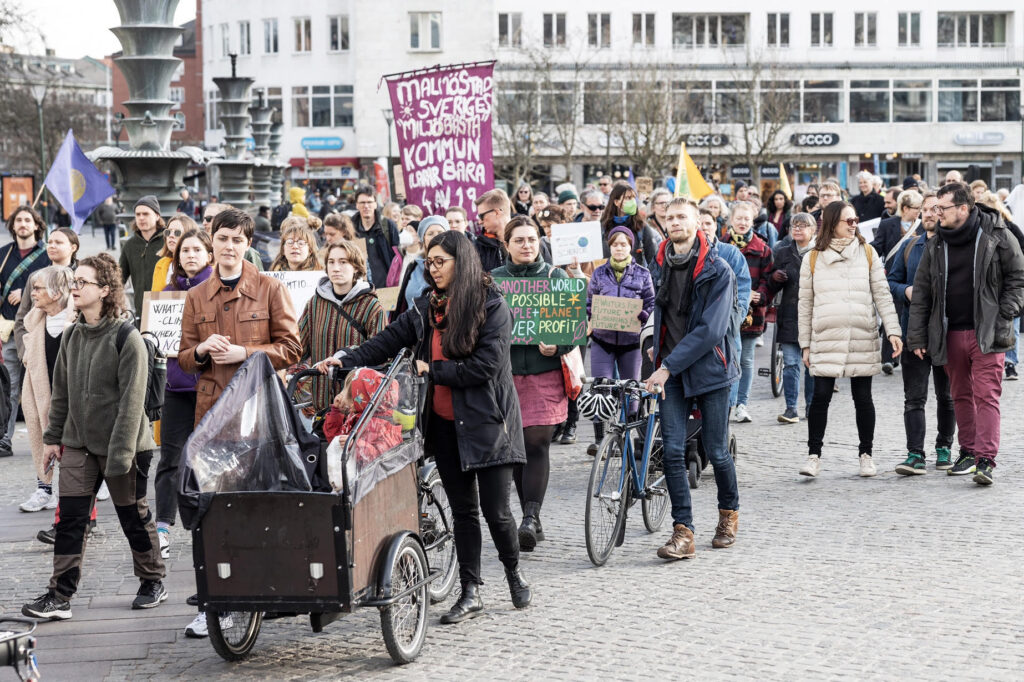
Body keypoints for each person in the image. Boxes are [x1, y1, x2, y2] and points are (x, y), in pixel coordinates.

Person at [320, 230, 531, 623]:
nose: (432, 269)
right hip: (445, 425)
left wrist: (431, 370)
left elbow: (486, 366)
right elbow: (386, 341)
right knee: (464, 511)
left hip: (489, 424)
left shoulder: (492, 305)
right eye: (428, 262)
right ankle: (470, 591)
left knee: (497, 513)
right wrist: (344, 359)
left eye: (440, 262)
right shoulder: (425, 307)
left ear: (461, 263)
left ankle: (513, 571)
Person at [21, 254, 165, 621]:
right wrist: (52, 439)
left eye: (82, 282)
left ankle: (152, 580)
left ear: (104, 290)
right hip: (79, 445)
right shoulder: (72, 335)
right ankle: (59, 595)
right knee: (70, 520)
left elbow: (132, 405)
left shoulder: (127, 337)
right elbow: (61, 395)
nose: (75, 287)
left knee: (133, 516)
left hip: (124, 447)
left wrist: (119, 459)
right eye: (75, 281)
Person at [907, 182, 1024, 485]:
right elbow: (922, 293)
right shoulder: (935, 243)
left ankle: (986, 459)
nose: (936, 213)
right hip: (949, 333)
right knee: (960, 395)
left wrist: (1006, 312)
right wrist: (917, 336)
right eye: (934, 208)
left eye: (941, 207)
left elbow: (1018, 277)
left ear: (962, 208)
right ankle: (968, 452)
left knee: (987, 396)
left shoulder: (997, 234)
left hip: (988, 330)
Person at [644, 198, 740, 560]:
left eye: (681, 216)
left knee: (716, 450)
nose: (674, 222)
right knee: (671, 451)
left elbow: (711, 330)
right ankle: (683, 531)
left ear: (697, 222)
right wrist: (652, 347)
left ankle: (728, 515)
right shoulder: (659, 264)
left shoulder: (719, 269)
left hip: (711, 369)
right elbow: (654, 311)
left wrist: (668, 365)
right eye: (669, 217)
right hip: (670, 370)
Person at [797, 202, 902, 479]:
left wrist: (893, 330)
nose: (854, 224)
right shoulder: (812, 258)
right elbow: (805, 304)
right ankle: (813, 455)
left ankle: (866, 455)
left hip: (861, 335)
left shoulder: (867, 252)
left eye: (856, 220)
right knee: (820, 397)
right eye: (848, 221)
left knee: (863, 398)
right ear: (833, 223)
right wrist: (805, 343)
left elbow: (882, 295)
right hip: (825, 336)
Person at [491, 216, 573, 551]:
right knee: (516, 449)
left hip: (544, 373)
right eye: (520, 240)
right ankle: (530, 516)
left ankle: (530, 516)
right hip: (506, 375)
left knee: (537, 441)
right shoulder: (493, 280)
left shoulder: (557, 277)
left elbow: (573, 328)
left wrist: (559, 346)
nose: (527, 246)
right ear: (507, 244)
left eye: (532, 239)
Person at [177, 208, 302, 425]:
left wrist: (245, 353)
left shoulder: (271, 289)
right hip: (212, 410)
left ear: (248, 244)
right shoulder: (196, 295)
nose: (229, 246)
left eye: (237, 240)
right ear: (212, 240)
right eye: (223, 238)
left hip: (258, 406)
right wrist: (201, 349)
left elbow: (291, 350)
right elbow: (185, 360)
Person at [150, 228, 214, 567]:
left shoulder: (216, 289)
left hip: (211, 387)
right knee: (170, 461)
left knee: (210, 460)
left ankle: (210, 527)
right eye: (184, 251)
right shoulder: (166, 294)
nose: (190, 255)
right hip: (176, 388)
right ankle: (162, 529)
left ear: (208, 255)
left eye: (196, 250)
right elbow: (156, 338)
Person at [886, 193, 957, 474]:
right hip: (912, 332)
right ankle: (915, 453)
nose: (928, 214)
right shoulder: (909, 246)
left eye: (934, 209)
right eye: (924, 209)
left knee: (947, 396)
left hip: (946, 334)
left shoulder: (954, 246)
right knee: (914, 397)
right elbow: (891, 281)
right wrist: (905, 291)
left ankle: (944, 448)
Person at [585, 226, 655, 453]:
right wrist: (592, 313)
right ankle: (600, 440)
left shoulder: (642, 274)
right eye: (615, 244)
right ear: (610, 247)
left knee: (631, 389)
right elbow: (589, 302)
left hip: (631, 342)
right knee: (600, 387)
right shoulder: (599, 273)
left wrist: (642, 315)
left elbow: (651, 303)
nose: (619, 248)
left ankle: (625, 436)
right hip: (602, 340)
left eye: (623, 244)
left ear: (630, 247)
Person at [299, 240, 385, 414]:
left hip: (356, 408)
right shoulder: (314, 304)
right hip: (321, 406)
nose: (336, 268)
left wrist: (346, 356)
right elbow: (298, 347)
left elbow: (381, 356)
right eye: (331, 262)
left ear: (356, 267)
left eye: (343, 262)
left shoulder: (371, 307)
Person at [17, 266, 75, 517]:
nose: (33, 293)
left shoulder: (76, 322)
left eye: (38, 288)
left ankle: (82, 491)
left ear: (56, 292)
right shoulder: (36, 321)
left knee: (74, 445)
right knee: (40, 435)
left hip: (70, 395)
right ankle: (44, 488)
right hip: (42, 391)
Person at [0, 205, 51, 458]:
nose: (22, 224)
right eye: (18, 220)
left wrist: (28, 292)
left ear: (36, 225)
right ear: (13, 226)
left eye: (27, 220)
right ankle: (4, 438)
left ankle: (49, 439)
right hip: (9, 331)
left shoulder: (47, 255)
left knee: (42, 387)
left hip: (39, 330)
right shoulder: (3, 255)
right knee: (9, 387)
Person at [725, 201, 773, 423]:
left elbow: (768, 279)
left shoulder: (763, 249)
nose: (743, 223)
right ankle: (728, 402)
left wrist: (760, 294)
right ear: (731, 220)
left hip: (753, 313)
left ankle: (741, 404)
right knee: (729, 359)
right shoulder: (722, 245)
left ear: (752, 221)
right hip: (726, 312)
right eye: (739, 218)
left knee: (745, 359)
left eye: (747, 219)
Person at [766, 213, 816, 424]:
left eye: (802, 225)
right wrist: (775, 278)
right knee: (791, 364)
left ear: (813, 230)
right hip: (788, 315)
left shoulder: (820, 253)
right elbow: (770, 285)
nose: (797, 229)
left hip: (814, 317)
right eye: (794, 225)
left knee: (812, 366)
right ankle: (791, 409)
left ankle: (812, 407)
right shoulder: (783, 252)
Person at [322, 368, 402, 462]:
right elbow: (335, 441)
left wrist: (355, 446)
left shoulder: (381, 426)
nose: (347, 401)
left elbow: (382, 458)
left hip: (370, 470)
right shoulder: (356, 417)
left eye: (351, 396)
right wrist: (336, 412)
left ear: (365, 399)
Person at [118, 195, 166, 320]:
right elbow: (119, 278)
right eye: (138, 214)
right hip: (142, 310)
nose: (141, 218)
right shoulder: (130, 245)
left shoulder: (168, 242)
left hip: (167, 309)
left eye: (146, 214)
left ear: (157, 216)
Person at [395, 216, 450, 315]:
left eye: (440, 232)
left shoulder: (453, 266)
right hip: (410, 322)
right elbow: (403, 304)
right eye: (430, 233)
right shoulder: (414, 266)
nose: (436, 237)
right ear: (423, 239)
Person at [352, 185, 400, 289]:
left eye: (369, 202)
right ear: (357, 205)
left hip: (386, 286)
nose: (366, 206)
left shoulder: (387, 226)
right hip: (358, 288)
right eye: (362, 202)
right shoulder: (350, 228)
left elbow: (398, 256)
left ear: (375, 204)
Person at [600, 181, 654, 268]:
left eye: (633, 198)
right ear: (616, 202)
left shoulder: (641, 227)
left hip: (635, 275)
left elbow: (653, 261)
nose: (632, 201)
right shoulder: (602, 227)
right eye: (628, 198)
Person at [202, 202, 264, 271]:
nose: (204, 223)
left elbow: (258, 275)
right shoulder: (201, 248)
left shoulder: (249, 253)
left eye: (208, 218)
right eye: (222, 239)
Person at [150, 214, 197, 292]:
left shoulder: (200, 264)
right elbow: (154, 296)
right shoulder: (161, 264)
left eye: (177, 232)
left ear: (190, 236)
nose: (171, 235)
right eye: (168, 232)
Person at [473, 189, 510, 272]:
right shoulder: (477, 246)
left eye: (481, 216)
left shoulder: (526, 240)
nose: (479, 222)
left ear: (496, 212)